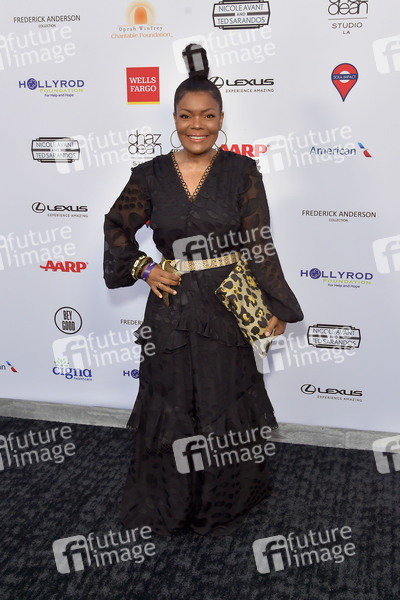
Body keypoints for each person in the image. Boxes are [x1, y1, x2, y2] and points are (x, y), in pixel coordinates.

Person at [103, 44, 303, 536]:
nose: (198, 125)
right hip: (170, 307)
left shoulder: (241, 171)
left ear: (221, 119)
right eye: (186, 115)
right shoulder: (149, 174)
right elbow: (116, 229)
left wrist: (277, 304)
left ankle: (223, 503)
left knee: (223, 400)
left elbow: (258, 243)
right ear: (174, 119)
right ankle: (171, 504)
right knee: (172, 401)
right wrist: (145, 268)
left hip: (226, 305)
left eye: (208, 115)